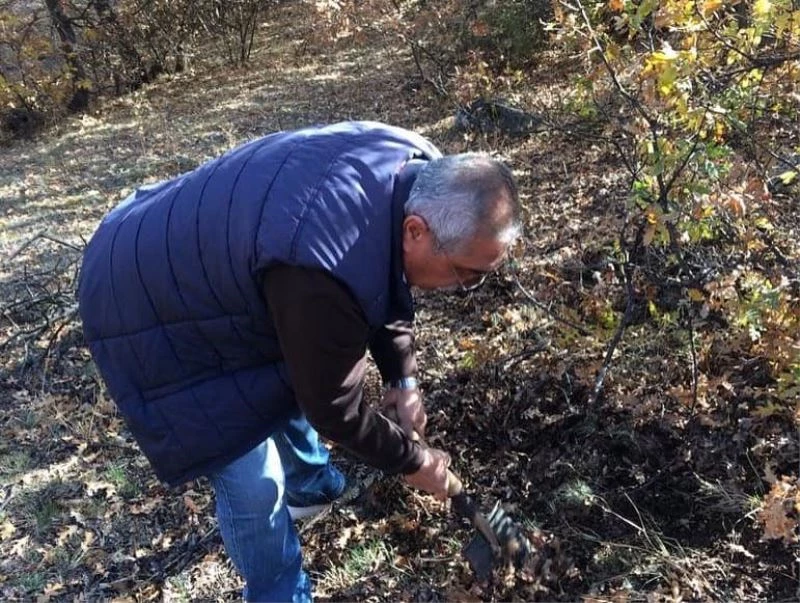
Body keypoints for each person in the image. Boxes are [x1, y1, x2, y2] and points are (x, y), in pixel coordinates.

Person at [78, 121, 521, 601]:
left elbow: (385, 278)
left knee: (297, 360)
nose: (466, 288)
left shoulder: (418, 172)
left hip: (227, 258)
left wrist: (402, 379)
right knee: (249, 469)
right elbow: (333, 405)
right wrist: (412, 460)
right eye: (467, 274)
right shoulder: (324, 265)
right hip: (142, 295)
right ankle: (278, 591)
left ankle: (311, 487)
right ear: (416, 230)